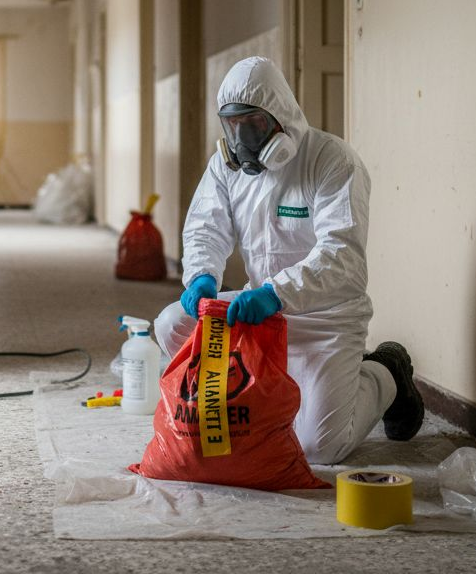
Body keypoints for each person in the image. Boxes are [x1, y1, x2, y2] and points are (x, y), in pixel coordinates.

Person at [155, 56, 423, 464]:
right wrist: (201, 275)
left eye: (253, 124)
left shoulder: (333, 161)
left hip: (324, 318)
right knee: (172, 323)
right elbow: (205, 228)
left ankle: (386, 371)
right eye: (233, 125)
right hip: (257, 311)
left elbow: (341, 256)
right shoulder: (225, 168)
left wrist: (275, 293)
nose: (242, 139)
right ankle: (244, 399)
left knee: (320, 447)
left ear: (281, 116)